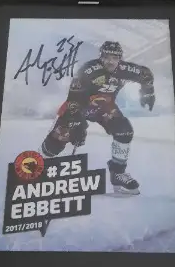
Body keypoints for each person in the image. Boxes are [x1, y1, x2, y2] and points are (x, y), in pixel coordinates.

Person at [41, 41, 155, 195]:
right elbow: (73, 100)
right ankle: (39, 166)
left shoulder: (126, 69)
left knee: (124, 131)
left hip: (103, 106)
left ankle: (118, 174)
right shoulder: (87, 70)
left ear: (120, 59)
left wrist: (148, 92)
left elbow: (146, 74)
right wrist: (77, 123)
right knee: (57, 142)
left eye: (115, 58)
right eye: (107, 57)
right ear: (101, 56)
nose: (110, 61)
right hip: (79, 106)